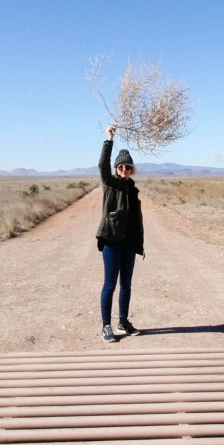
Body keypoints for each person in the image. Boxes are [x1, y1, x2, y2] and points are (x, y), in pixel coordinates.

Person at [95, 124, 145, 343]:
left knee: (127, 284)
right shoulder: (111, 184)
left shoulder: (132, 189)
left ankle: (123, 322)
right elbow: (101, 165)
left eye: (128, 167)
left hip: (129, 243)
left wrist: (139, 244)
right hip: (112, 242)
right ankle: (106, 326)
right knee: (110, 284)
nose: (125, 169)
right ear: (116, 168)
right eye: (121, 166)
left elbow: (136, 220)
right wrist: (109, 140)